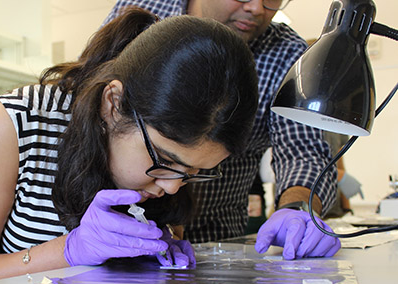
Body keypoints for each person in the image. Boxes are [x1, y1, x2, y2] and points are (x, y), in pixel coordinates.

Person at [0, 8, 259, 284]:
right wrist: (68, 251)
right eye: (164, 159)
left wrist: (159, 252)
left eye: (193, 172)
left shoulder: (167, 166)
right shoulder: (17, 121)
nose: (173, 186)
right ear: (112, 104)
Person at [104, 0, 341, 260]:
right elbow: (92, 119)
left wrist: (298, 208)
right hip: (119, 236)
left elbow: (303, 150)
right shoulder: (142, 11)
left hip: (220, 238)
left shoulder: (286, 54)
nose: (257, 9)